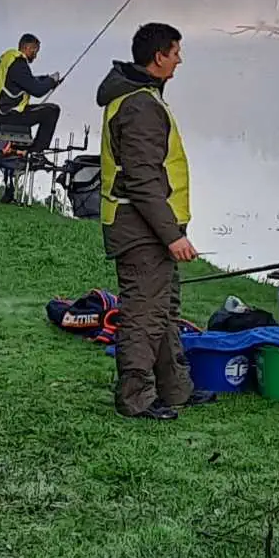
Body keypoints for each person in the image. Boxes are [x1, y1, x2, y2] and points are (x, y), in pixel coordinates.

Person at [96, 21, 212, 421]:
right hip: (139, 227)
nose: (180, 60)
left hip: (152, 227)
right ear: (159, 57)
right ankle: (135, 399)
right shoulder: (140, 106)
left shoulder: (142, 97)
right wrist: (171, 235)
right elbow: (142, 179)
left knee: (162, 308)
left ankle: (176, 390)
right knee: (143, 313)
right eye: (176, 52)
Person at [0, 34, 62, 153]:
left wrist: (45, 79)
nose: (35, 55)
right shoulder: (19, 63)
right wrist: (51, 81)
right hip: (9, 114)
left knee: (46, 110)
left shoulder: (8, 58)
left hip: (1, 112)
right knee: (51, 111)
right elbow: (37, 91)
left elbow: (26, 81)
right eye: (35, 50)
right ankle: (37, 152)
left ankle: (31, 149)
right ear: (28, 47)